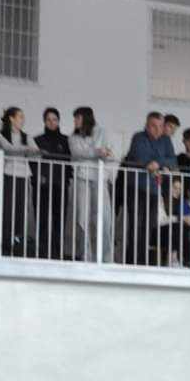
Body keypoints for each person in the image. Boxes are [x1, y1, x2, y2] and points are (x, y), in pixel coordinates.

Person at [122, 111, 178, 265]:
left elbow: (173, 160)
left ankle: (143, 261)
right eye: (154, 126)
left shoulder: (166, 140)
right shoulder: (138, 138)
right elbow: (142, 157)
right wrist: (160, 162)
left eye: (160, 126)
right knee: (136, 225)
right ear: (147, 126)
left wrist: (158, 163)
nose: (158, 129)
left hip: (154, 190)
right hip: (136, 188)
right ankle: (132, 262)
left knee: (148, 227)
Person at [69, 106, 114, 263]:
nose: (75, 121)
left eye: (78, 118)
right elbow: (78, 153)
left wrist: (94, 152)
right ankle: (85, 255)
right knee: (82, 217)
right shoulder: (73, 137)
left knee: (104, 218)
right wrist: (95, 152)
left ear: (86, 118)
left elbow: (105, 151)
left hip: (100, 178)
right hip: (82, 177)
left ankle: (105, 257)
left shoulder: (101, 131)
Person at [0, 107, 40, 256]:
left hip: (23, 176)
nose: (22, 120)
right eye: (20, 116)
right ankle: (5, 246)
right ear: (11, 118)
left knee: (21, 211)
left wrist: (27, 150)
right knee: (7, 211)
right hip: (8, 174)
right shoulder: (1, 135)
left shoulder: (27, 136)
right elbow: (9, 149)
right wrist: (26, 149)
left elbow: (36, 154)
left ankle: (18, 245)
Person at [32, 107, 72, 260]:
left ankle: (57, 253)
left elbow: (69, 163)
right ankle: (42, 252)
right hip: (41, 186)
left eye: (54, 119)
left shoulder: (66, 141)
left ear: (58, 121)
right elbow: (32, 163)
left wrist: (66, 179)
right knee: (41, 219)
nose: (51, 122)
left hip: (60, 186)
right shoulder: (37, 140)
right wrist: (38, 177)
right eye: (48, 120)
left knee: (59, 220)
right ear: (44, 121)